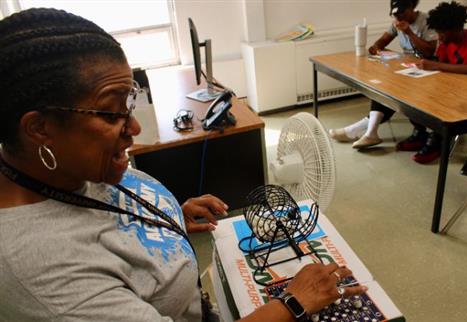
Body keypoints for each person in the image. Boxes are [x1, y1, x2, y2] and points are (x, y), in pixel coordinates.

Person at [0, 8, 366, 321]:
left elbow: (106, 213)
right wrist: (292, 303)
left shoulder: (66, 167)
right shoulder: (42, 271)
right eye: (112, 113)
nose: (135, 127)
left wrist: (169, 217)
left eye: (130, 103)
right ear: (40, 128)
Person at [330, 0, 437, 149]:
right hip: (408, 68)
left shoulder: (426, 21)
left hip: (429, 69)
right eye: (395, 15)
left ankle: (358, 131)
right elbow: (383, 40)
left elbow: (429, 51)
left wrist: (409, 33)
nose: (398, 18)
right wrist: (376, 47)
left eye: (401, 13)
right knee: (384, 87)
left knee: (393, 91)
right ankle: (368, 133)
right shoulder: (397, 22)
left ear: (412, 7)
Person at [397, 1, 467, 163]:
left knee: (439, 102)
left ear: (455, 29)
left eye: (442, 33)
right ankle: (420, 132)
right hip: (456, 88)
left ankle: (438, 139)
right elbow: (441, 67)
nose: (439, 37)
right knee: (411, 95)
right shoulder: (446, 43)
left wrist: (436, 65)